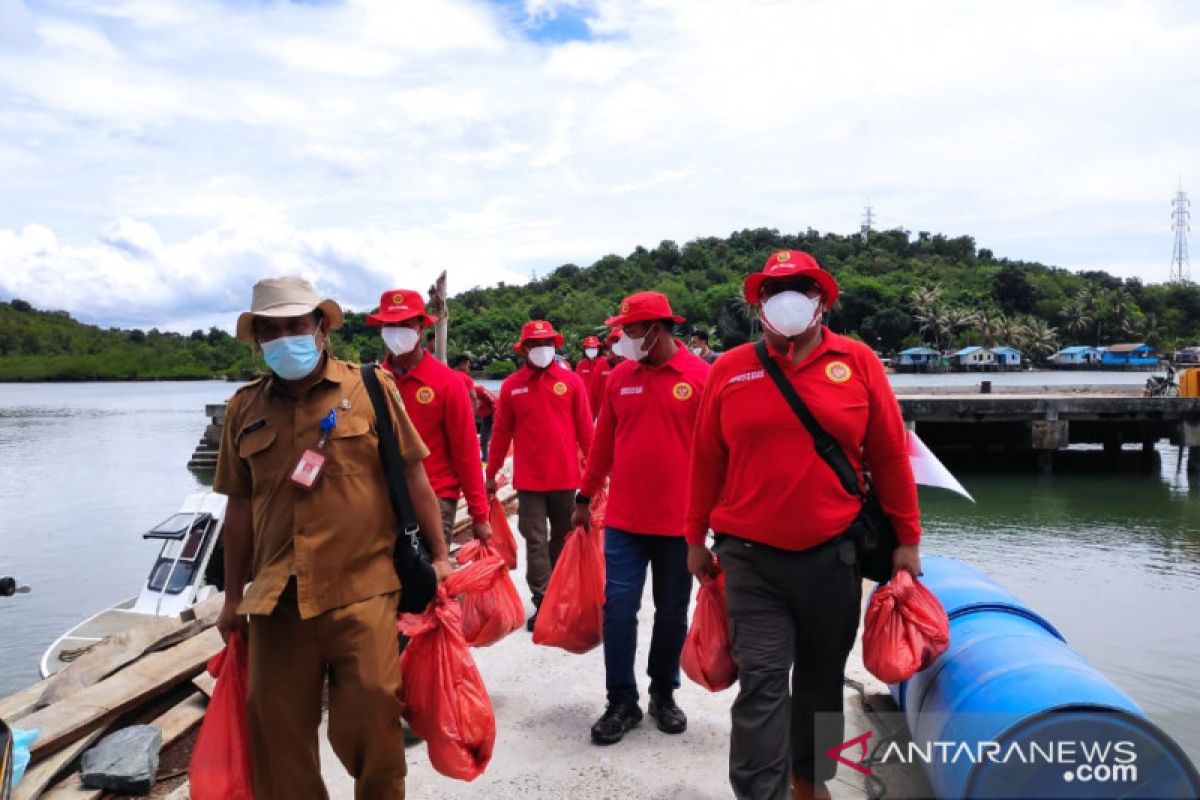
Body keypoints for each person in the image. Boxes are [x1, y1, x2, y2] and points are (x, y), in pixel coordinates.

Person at [684, 251, 922, 800]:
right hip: (749, 556)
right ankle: (759, 793)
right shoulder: (729, 368)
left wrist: (908, 539)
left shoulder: (858, 361)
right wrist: (694, 537)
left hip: (833, 554)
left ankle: (809, 784)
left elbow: (888, 456)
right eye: (772, 290)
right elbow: (705, 459)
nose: (785, 298)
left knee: (820, 681)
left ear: (822, 299)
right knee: (762, 684)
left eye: (799, 287)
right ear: (759, 303)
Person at [214, 276, 451, 799]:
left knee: (373, 719)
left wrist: (440, 557)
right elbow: (240, 505)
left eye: (295, 324)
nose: (283, 338)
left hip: (363, 588)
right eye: (270, 330)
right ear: (257, 340)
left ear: (320, 326)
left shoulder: (370, 388)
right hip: (277, 600)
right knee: (277, 737)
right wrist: (232, 598)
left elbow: (414, 475)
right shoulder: (243, 410)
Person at [572, 291, 710, 746]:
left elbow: (719, 453)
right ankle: (621, 700)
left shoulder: (702, 377)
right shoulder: (619, 379)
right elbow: (602, 446)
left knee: (672, 613)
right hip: (625, 521)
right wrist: (584, 495)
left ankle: (663, 693)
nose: (623, 339)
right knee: (618, 610)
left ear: (657, 330)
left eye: (631, 331)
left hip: (680, 526)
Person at [485, 320, 594, 630]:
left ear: (555, 345)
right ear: (525, 349)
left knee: (563, 539)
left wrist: (597, 476)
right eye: (535, 344)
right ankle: (543, 601)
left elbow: (587, 432)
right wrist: (491, 473)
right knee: (535, 541)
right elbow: (501, 433)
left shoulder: (572, 383)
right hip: (529, 482)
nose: (541, 349)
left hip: (566, 479)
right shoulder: (511, 386)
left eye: (547, 342)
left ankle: (562, 597)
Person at [368, 290, 491, 550]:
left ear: (421, 326)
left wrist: (479, 514)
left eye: (405, 324)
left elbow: (466, 452)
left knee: (430, 578)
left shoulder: (447, 382)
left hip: (436, 497)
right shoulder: (372, 382)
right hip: (383, 499)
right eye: (390, 325)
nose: (397, 331)